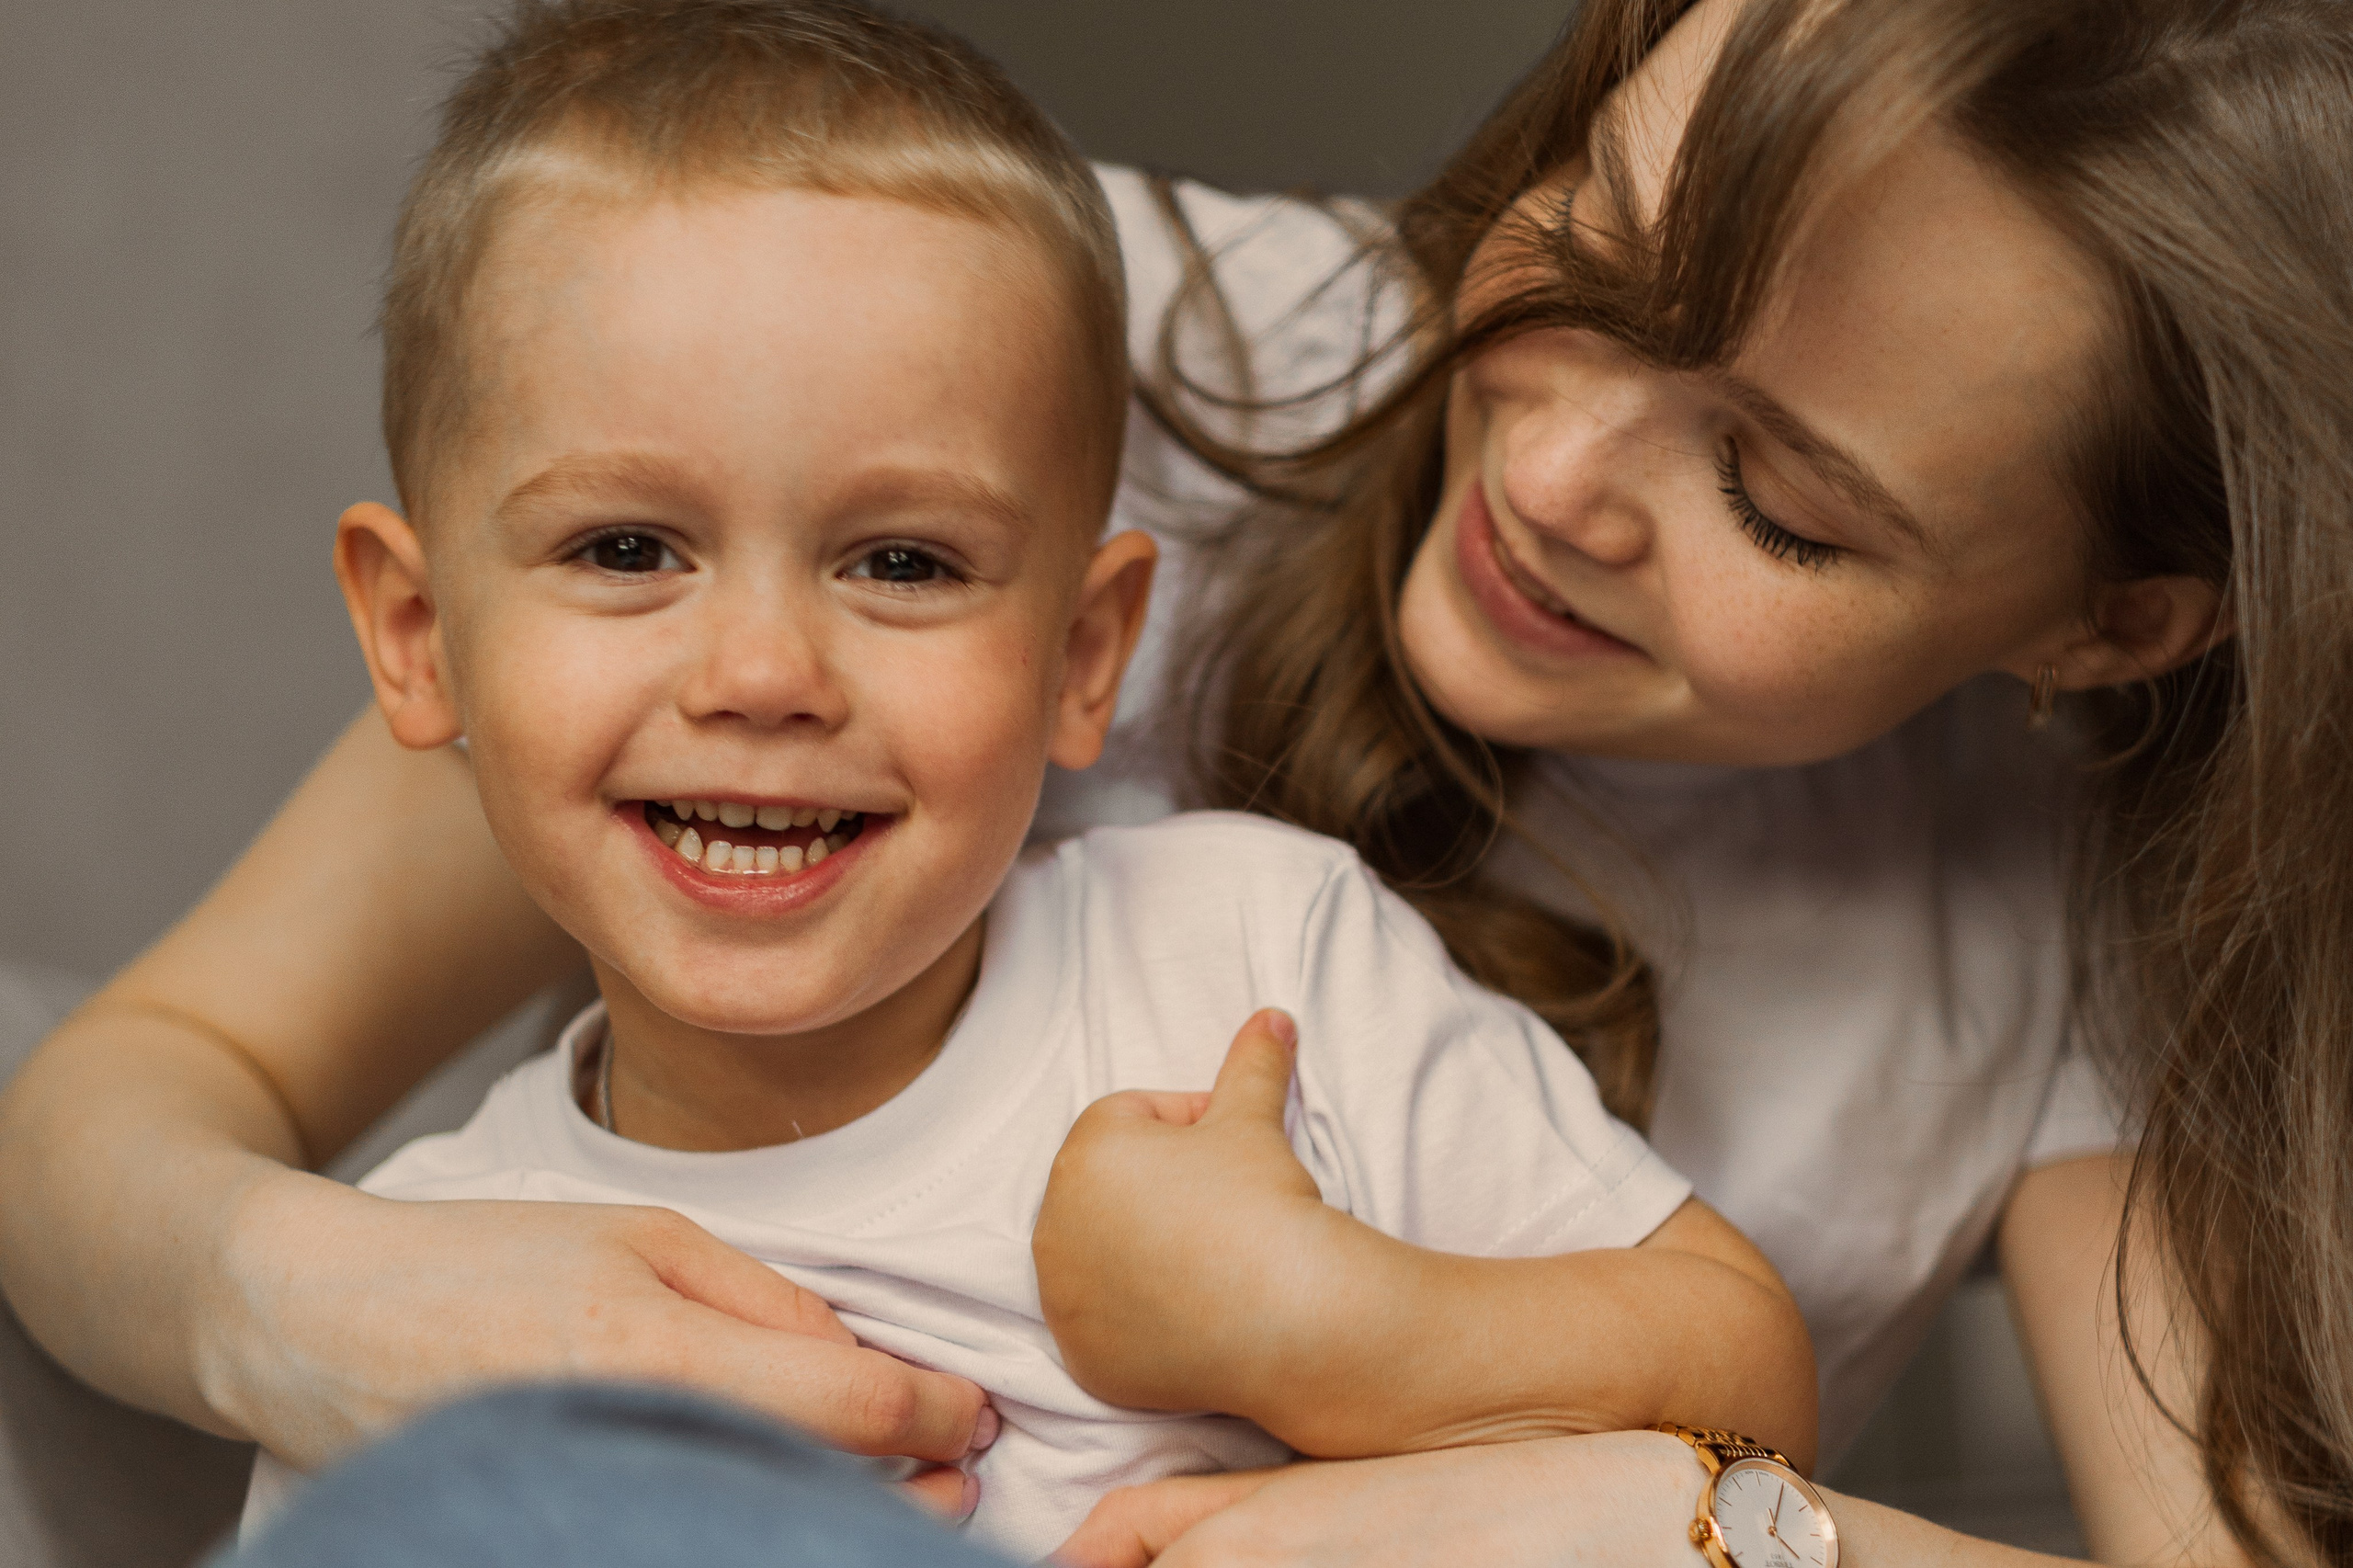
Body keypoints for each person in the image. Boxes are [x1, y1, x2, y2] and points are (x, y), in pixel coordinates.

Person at [4, 0, 2347, 1562]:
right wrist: (333, 1302)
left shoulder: (1254, 946)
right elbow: (161, 1077)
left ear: (2109, 623)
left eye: (1784, 504)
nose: (1552, 471)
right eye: (1590, 259)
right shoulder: (950, 339)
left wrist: (1616, 1507)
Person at [231, 2, 1811, 1558]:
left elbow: (1746, 1370)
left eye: (904, 561)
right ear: (420, 636)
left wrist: (1306, 1317)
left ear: (1083, 656)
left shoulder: (1249, 960)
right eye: (628, 548)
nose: (764, 675)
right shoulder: (425, 1288)